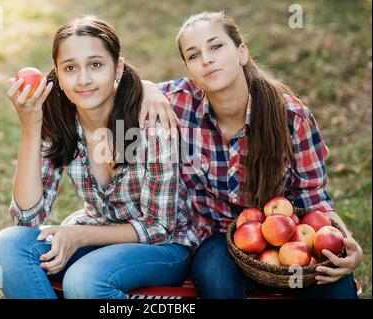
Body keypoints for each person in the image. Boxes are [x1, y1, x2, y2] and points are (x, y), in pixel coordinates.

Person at [140, 11, 363, 299]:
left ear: (242, 52)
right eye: (194, 55)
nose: (206, 59)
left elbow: (314, 196)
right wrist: (145, 87)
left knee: (336, 289)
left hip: (288, 233)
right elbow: (113, 87)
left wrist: (346, 242)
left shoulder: (291, 117)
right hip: (218, 235)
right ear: (189, 71)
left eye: (216, 46)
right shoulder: (177, 104)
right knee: (216, 279)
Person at [0, 15, 200, 299]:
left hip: (162, 249)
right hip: (97, 236)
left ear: (118, 68)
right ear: (58, 75)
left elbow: (159, 227)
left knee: (84, 280)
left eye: (96, 65)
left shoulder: (149, 123)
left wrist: (80, 236)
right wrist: (31, 127)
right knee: (8, 244)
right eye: (70, 68)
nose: (84, 79)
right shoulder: (61, 121)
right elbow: (28, 217)